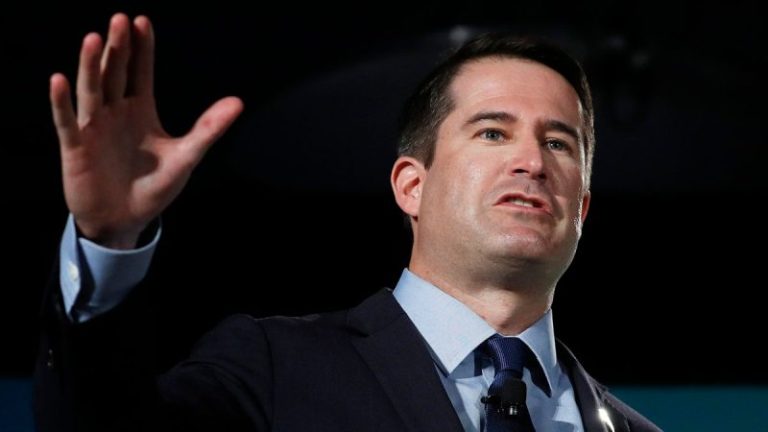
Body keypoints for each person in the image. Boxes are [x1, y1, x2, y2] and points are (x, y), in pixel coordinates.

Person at [35, 12, 662, 432]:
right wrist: (107, 242)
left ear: (581, 209)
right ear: (412, 186)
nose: (532, 162)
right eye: (493, 132)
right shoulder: (273, 368)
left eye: (558, 143)